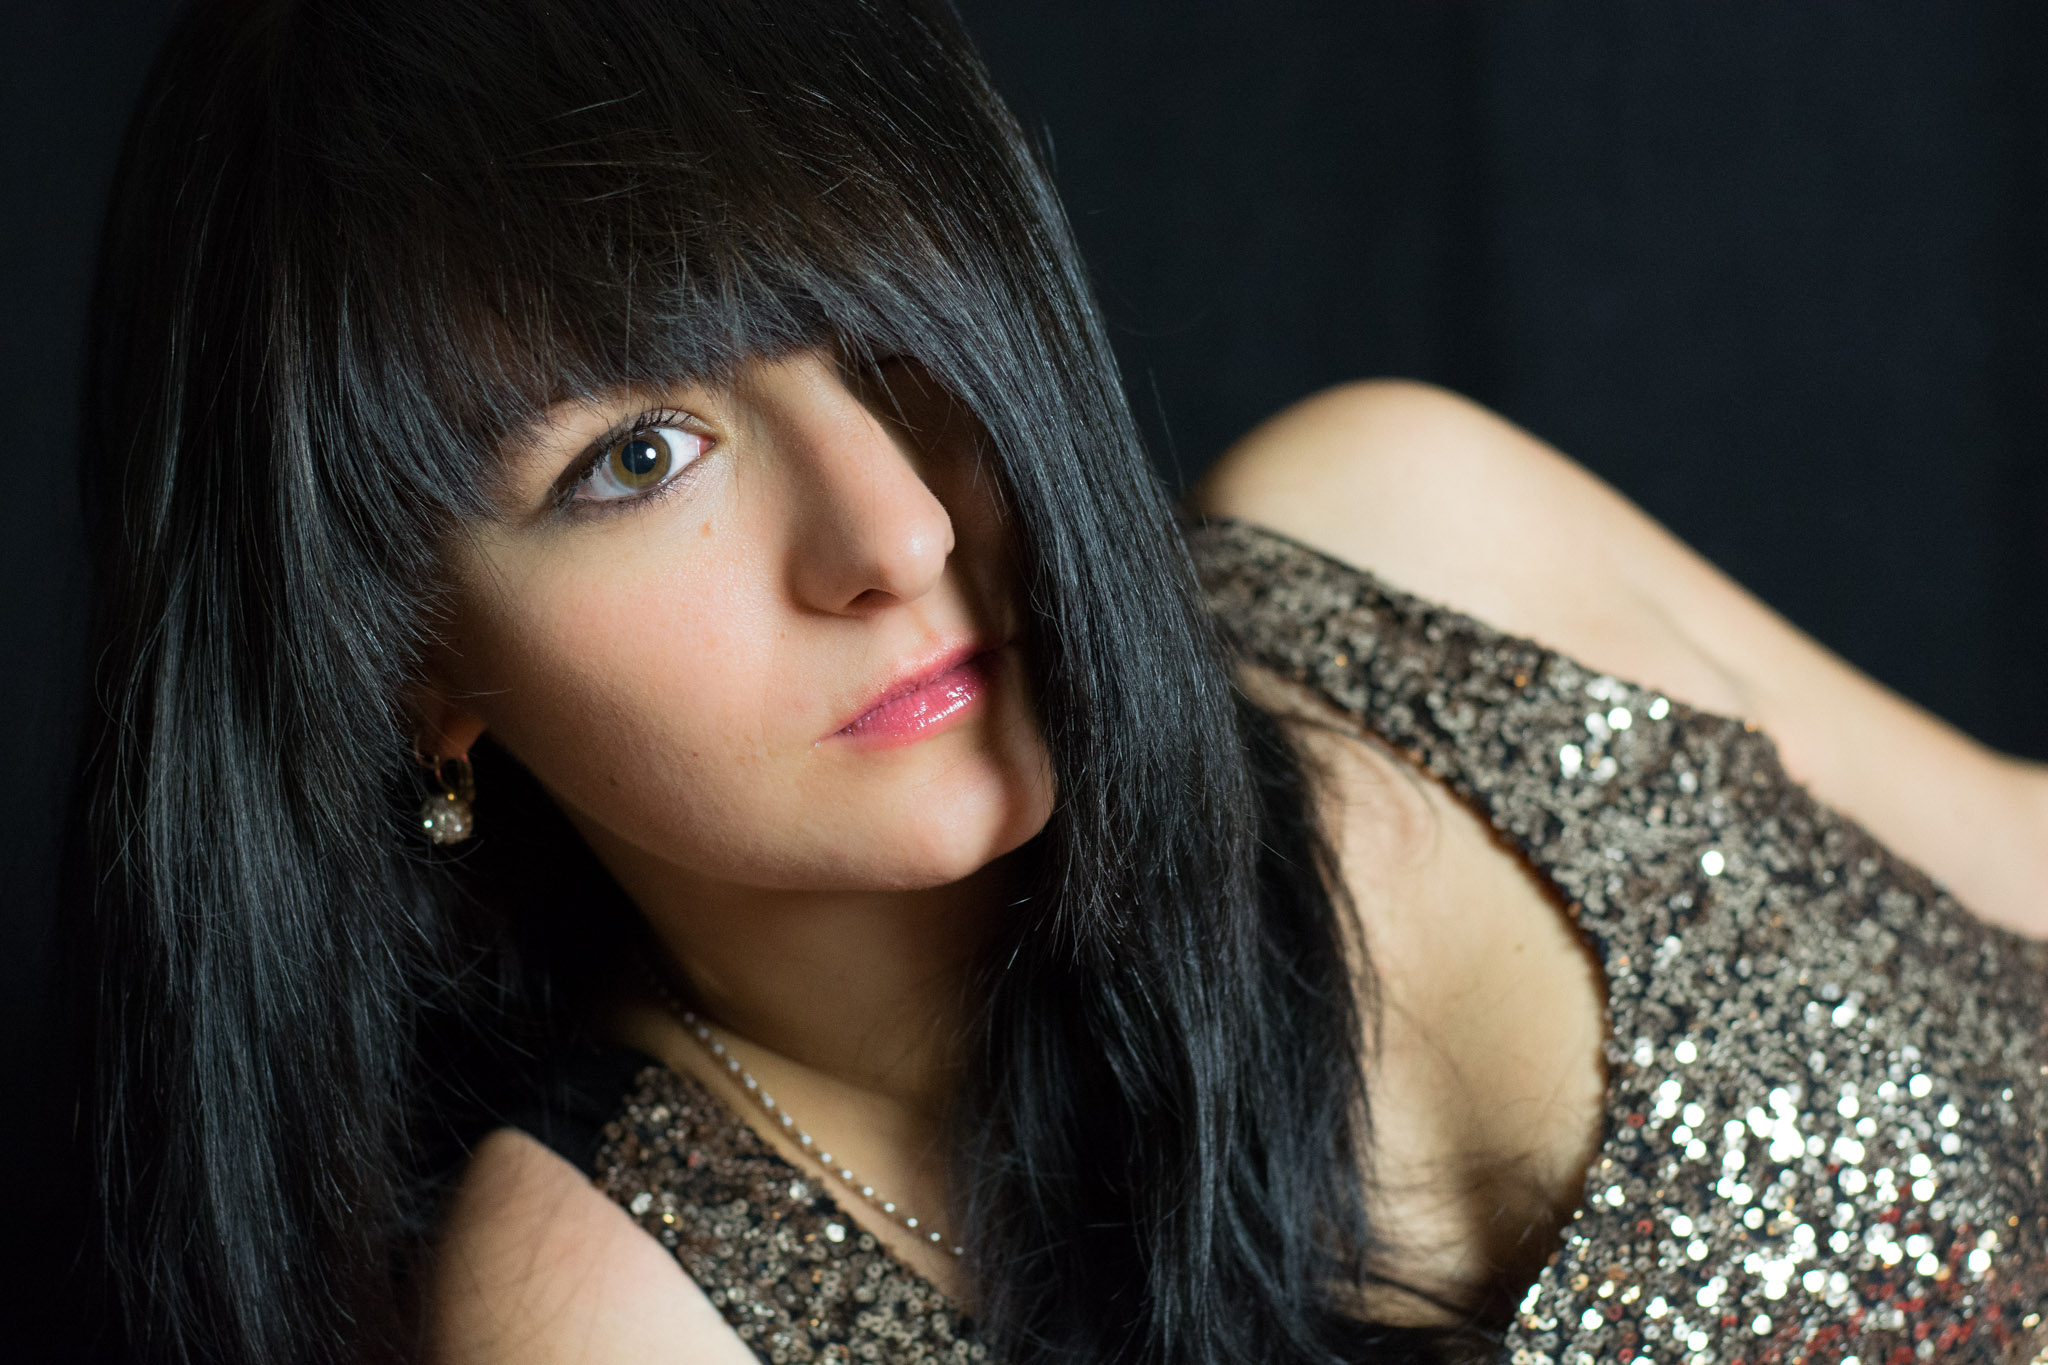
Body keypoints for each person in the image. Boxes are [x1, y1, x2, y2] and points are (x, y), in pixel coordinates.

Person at [77, 0, 2048, 1362]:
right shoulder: (626, 1310)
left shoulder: (1406, 535)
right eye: (637, 456)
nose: (898, 525)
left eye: (884, 331)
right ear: (414, 663)